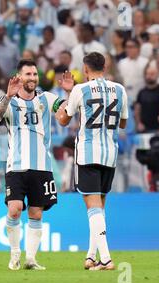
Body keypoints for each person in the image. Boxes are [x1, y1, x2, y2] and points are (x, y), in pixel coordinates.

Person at [0, 59, 74, 271]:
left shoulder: (47, 98)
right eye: (28, 74)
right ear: (19, 77)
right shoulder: (9, 101)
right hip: (16, 166)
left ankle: (30, 259)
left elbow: (64, 118)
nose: (33, 78)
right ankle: (14, 254)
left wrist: (69, 94)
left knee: (36, 213)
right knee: (15, 210)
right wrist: (8, 96)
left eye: (35, 74)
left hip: (42, 166)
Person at [56, 52, 129, 271]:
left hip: (88, 154)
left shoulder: (80, 90)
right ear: (104, 67)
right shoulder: (120, 89)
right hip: (110, 155)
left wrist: (66, 96)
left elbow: (63, 119)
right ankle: (91, 256)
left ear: (85, 70)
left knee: (92, 208)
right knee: (99, 208)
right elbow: (123, 123)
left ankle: (106, 259)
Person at [134, 64, 159, 133]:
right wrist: (138, 123)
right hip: (144, 128)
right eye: (147, 74)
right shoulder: (141, 92)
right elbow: (137, 110)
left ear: (158, 75)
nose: (149, 76)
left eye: (152, 74)